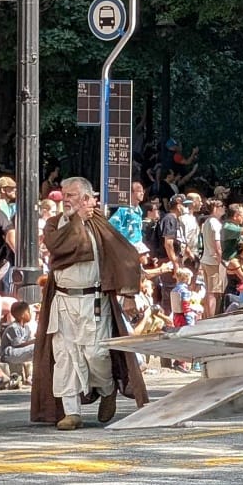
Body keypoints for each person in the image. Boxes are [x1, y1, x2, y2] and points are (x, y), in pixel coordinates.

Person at [30, 176, 148, 430]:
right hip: (63, 301)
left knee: (96, 354)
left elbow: (125, 254)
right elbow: (61, 246)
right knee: (65, 356)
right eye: (64, 195)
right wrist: (77, 219)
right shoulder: (54, 225)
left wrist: (128, 294)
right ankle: (72, 413)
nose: (65, 200)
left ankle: (106, 389)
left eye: (71, 195)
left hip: (93, 300)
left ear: (86, 198)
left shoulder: (99, 225)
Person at [199, 198, 227, 317]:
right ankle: (211, 317)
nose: (224, 209)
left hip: (205, 259)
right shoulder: (215, 223)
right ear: (215, 208)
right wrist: (221, 260)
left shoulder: (206, 222)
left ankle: (206, 315)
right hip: (214, 261)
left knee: (208, 291)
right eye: (222, 207)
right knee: (213, 292)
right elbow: (218, 243)